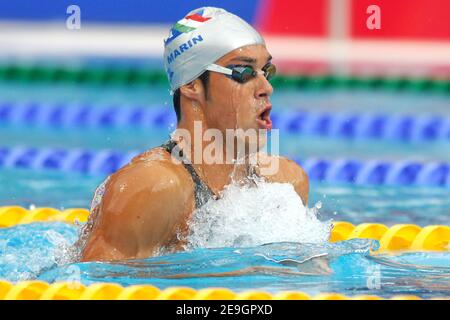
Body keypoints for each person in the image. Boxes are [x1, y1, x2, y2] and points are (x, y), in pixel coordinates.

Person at [79, 7, 309, 262]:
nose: (266, 87)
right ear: (191, 84)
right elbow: (93, 286)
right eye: (243, 73)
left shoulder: (285, 183)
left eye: (266, 71)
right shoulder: (152, 188)